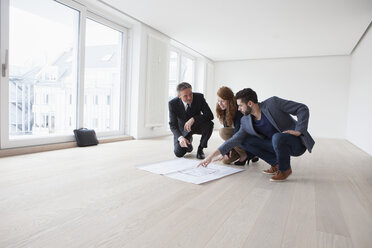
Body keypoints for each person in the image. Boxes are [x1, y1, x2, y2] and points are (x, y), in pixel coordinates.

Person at [197, 88, 315, 182]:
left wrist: (299, 130)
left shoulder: (273, 103)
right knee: (245, 141)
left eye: (240, 105)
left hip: (294, 143)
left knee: (277, 137)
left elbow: (302, 108)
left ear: (250, 103)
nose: (239, 109)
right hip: (274, 145)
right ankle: (276, 163)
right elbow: (234, 140)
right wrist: (210, 157)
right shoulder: (246, 120)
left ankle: (284, 170)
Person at [169, 82, 214, 159]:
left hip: (196, 125)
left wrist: (194, 118)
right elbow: (173, 125)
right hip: (183, 129)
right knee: (179, 153)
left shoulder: (199, 97)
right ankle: (188, 141)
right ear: (179, 96)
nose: (189, 97)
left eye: (191, 94)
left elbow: (210, 115)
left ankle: (200, 148)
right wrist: (180, 138)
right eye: (185, 96)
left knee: (209, 124)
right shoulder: (173, 104)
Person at [216, 86, 258, 165]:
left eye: (222, 101)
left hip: (246, 136)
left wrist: (227, 148)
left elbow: (237, 132)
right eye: (218, 101)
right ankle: (252, 154)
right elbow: (227, 127)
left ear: (229, 100)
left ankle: (246, 154)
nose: (220, 103)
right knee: (225, 161)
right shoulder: (224, 108)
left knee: (223, 132)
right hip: (238, 140)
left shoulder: (239, 108)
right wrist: (227, 150)